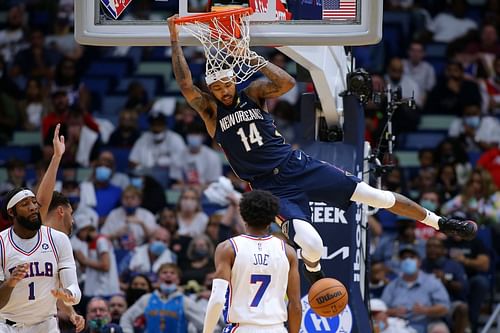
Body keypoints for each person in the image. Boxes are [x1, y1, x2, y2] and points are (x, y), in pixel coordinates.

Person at [168, 15, 478, 284]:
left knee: (376, 197)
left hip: (297, 165)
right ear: (210, 89)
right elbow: (185, 84)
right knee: (313, 244)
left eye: (226, 84)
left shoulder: (254, 93)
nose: (223, 90)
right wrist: (174, 39)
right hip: (269, 188)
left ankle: (441, 223)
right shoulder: (210, 112)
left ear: (234, 80)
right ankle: (314, 269)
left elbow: (287, 82)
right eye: (217, 87)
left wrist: (253, 57)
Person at [202, 190, 302, 333]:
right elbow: (295, 305)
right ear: (273, 218)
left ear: (243, 215)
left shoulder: (228, 248)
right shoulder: (287, 252)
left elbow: (217, 299)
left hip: (242, 327)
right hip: (276, 328)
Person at [0, 187, 81, 332]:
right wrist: (11, 282)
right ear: (12, 212)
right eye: (25, 204)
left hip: (46, 325)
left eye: (34, 202)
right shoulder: (1, 244)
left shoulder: (58, 239)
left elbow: (74, 289)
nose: (32, 208)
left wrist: (68, 295)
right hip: (8, 326)